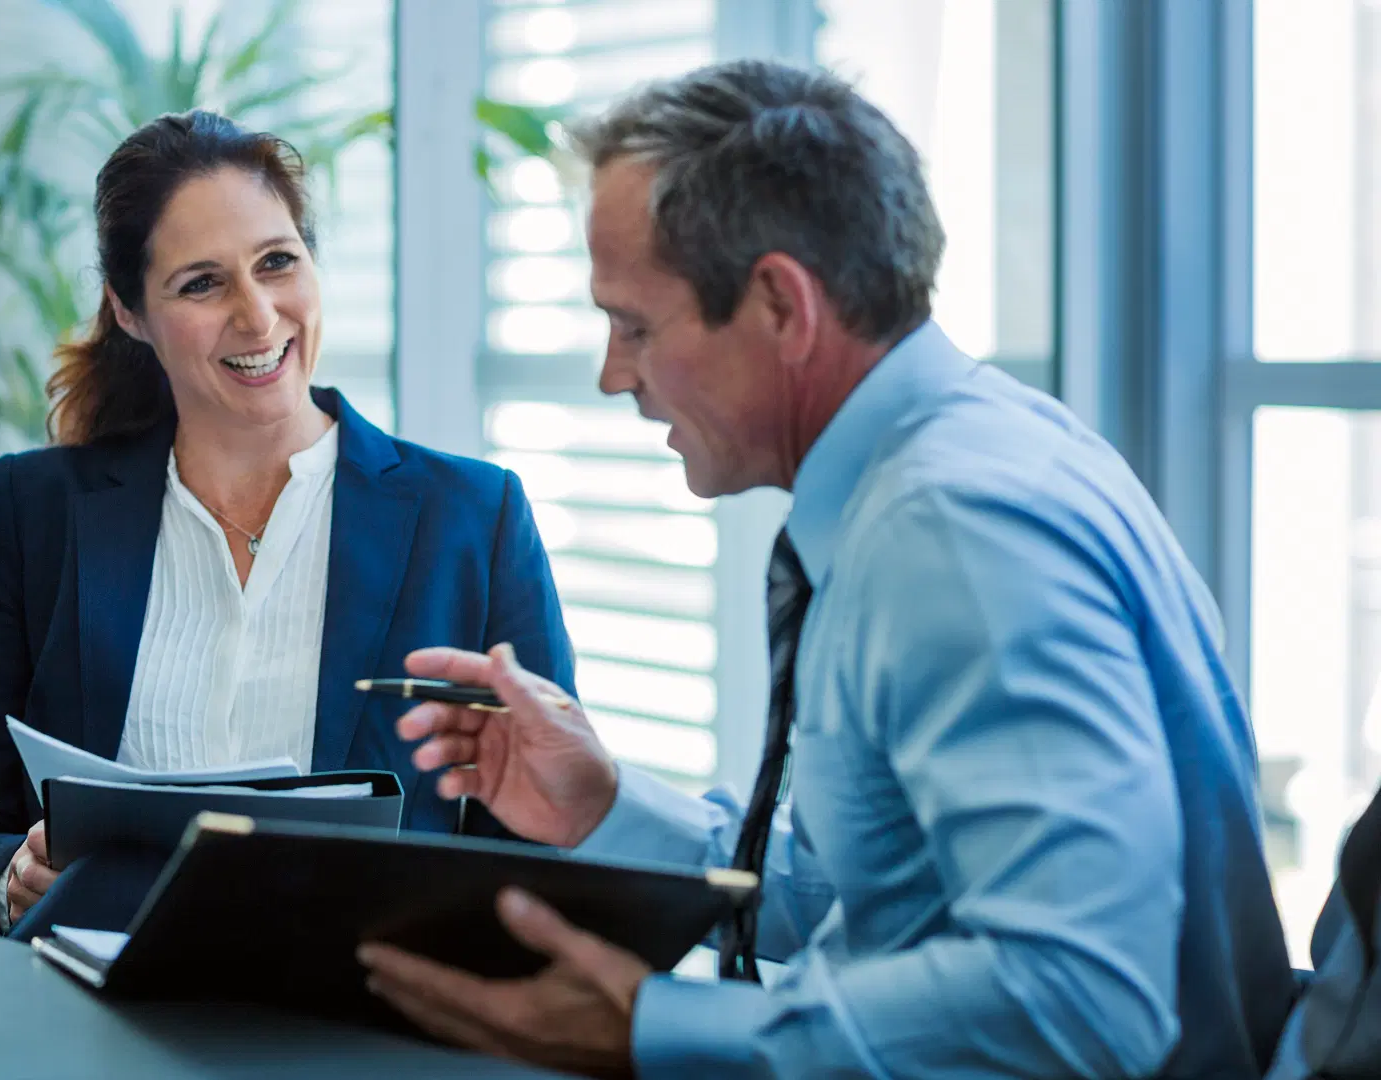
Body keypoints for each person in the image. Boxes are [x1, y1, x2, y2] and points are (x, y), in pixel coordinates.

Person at [356, 60, 1294, 1079]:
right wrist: (606, 805)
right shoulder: (954, 465)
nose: (613, 374)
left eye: (635, 326)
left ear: (779, 306)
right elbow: (879, 899)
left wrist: (650, 1031)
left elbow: (1084, 996)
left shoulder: (953, 533)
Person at [0, 111, 575, 932]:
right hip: (93, 1024)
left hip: (353, 1027)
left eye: (277, 262)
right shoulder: (36, 510)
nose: (257, 318)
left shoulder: (472, 517)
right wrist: (9, 876)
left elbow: (543, 850)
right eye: (202, 283)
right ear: (130, 311)